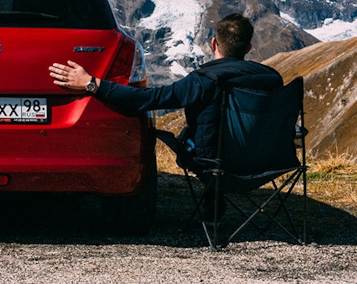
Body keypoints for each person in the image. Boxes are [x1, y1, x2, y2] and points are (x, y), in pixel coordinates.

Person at [48, 13, 282, 219]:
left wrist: (91, 83)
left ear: (213, 43)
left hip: (213, 165)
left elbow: (146, 99)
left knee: (202, 140)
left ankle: (213, 207)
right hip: (267, 162)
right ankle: (214, 206)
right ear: (248, 48)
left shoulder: (204, 80)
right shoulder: (272, 79)